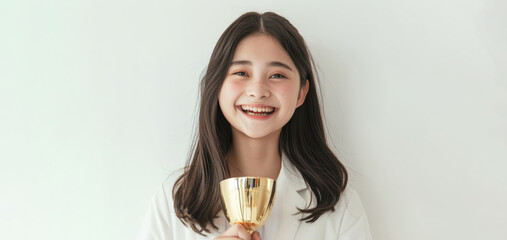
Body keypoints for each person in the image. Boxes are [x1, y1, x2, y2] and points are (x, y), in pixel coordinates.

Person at [137, 11, 372, 240]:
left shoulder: (338, 205)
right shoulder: (173, 200)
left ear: (302, 93)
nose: (258, 91)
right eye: (241, 72)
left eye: (277, 75)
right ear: (217, 85)